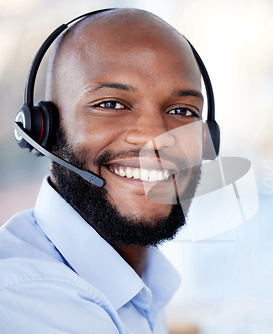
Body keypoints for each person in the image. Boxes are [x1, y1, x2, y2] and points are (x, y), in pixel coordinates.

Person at [0, 8, 209, 333]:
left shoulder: (141, 285)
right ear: (43, 130)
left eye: (182, 111)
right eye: (111, 104)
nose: (155, 137)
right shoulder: (27, 301)